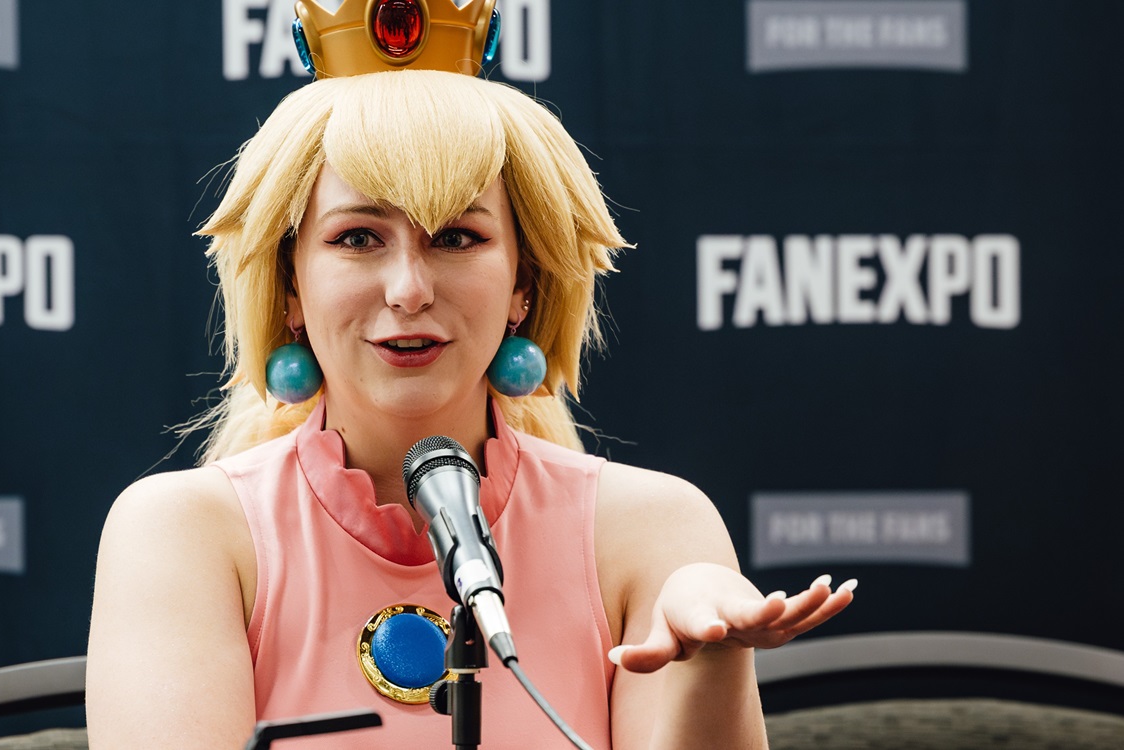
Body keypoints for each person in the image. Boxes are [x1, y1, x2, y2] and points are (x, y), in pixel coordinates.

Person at [87, 9, 854, 749]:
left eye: (457, 236)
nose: (409, 289)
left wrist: (711, 662)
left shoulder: (656, 532)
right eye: (358, 237)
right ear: (292, 287)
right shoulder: (183, 534)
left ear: (525, 281)